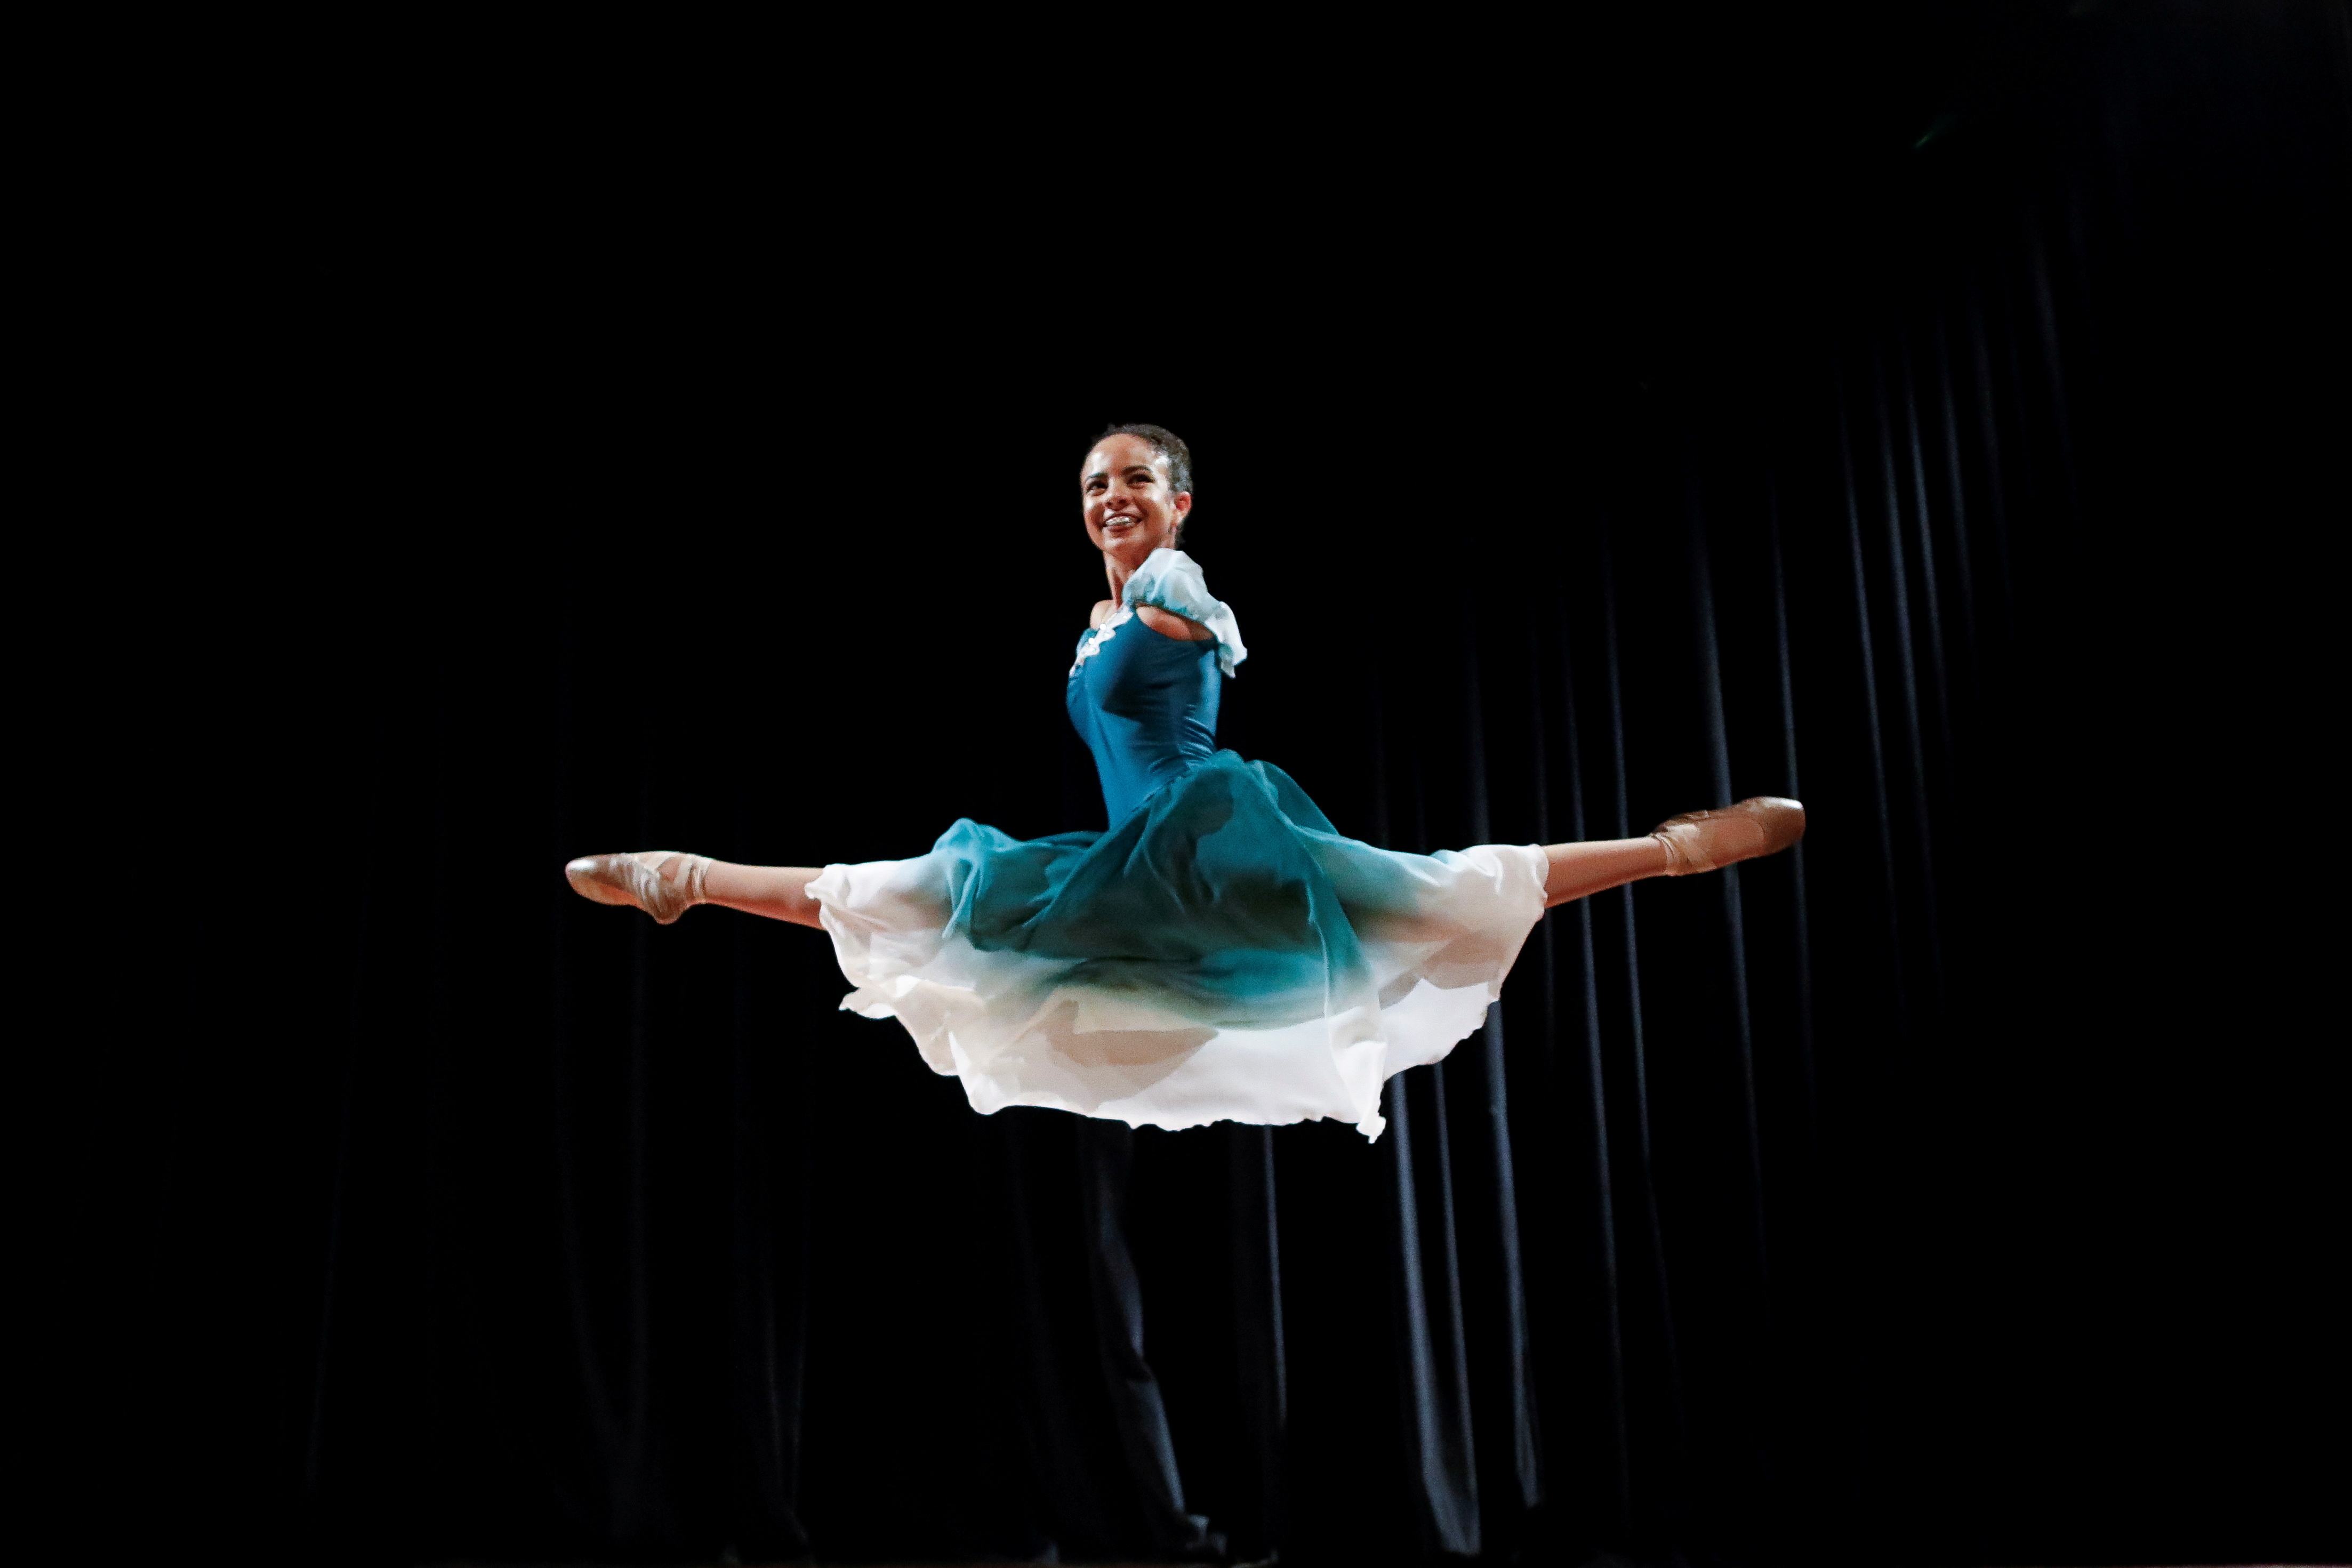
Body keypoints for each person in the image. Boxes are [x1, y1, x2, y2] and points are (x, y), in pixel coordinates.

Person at [565, 424, 1802, 1141]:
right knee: (926, 899)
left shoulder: (1167, 586)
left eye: (1134, 482)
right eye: (1095, 486)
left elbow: (1207, 620)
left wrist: (1193, 611)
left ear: (1178, 499)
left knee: (1438, 895)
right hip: (1134, 866)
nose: (1112, 498)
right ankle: (690, 883)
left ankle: (1677, 847)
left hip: (1213, 837)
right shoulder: (1092, 622)